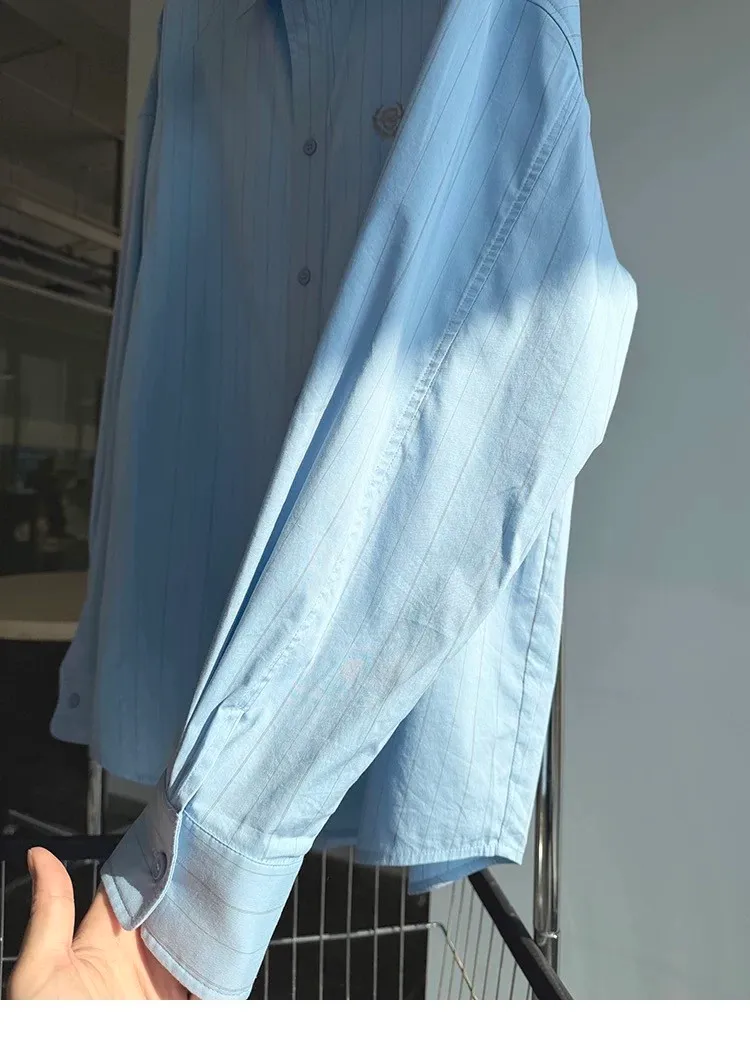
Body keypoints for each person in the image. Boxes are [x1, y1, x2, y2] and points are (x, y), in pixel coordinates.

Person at [12, 0, 635, 1000]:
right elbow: (156, 306)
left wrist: (209, 855)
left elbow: (535, 338)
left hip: (301, 731)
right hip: (192, 631)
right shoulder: (196, 24)